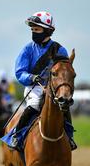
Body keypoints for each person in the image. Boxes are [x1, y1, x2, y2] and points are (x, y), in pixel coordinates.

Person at [12, 11, 77, 150]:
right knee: (34, 103)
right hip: (34, 87)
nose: (34, 32)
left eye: (37, 29)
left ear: (47, 31)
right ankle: (17, 136)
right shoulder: (27, 49)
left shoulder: (60, 50)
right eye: (32, 30)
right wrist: (31, 77)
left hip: (54, 87)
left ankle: (70, 137)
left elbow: (64, 72)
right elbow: (19, 72)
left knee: (64, 107)